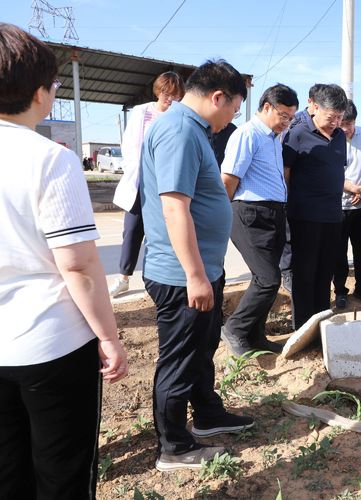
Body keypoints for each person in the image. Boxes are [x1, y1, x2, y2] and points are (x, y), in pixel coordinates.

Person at [0, 23, 128, 499]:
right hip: (50, 343)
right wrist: (109, 337)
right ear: (39, 93)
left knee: (7, 471)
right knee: (62, 473)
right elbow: (78, 265)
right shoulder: (49, 159)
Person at [140, 59, 253, 470]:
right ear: (218, 97)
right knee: (180, 359)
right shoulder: (180, 132)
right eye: (233, 109)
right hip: (182, 275)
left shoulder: (192, 129)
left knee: (202, 350)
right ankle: (174, 446)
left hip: (203, 270)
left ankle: (207, 413)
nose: (231, 119)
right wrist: (194, 275)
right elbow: (175, 208)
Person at [220, 84, 299, 356]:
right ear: (267, 107)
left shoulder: (274, 138)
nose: (287, 122)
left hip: (273, 214)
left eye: (291, 118)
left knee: (263, 278)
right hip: (249, 213)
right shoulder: (248, 134)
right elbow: (228, 180)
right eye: (284, 116)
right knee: (268, 279)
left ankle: (255, 335)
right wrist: (223, 216)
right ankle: (235, 329)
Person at [110, 71, 185, 297]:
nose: (170, 99)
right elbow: (129, 145)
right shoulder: (142, 112)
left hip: (164, 184)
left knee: (162, 232)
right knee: (132, 230)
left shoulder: (179, 116)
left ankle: (159, 278)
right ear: (158, 91)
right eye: (166, 93)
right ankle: (123, 278)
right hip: (140, 181)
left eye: (175, 95)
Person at [283, 84, 348, 328]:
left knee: (325, 272)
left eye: (340, 117)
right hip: (304, 217)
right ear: (316, 108)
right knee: (304, 274)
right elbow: (286, 174)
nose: (336, 123)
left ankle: (321, 323)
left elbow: (335, 172)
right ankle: (303, 327)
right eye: (331, 117)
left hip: (332, 216)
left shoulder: (339, 136)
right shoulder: (297, 133)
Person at [333, 99, 361, 309]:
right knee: (339, 253)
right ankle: (340, 291)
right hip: (338, 207)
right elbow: (328, 172)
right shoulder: (331, 138)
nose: (345, 129)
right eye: (342, 124)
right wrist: (350, 187)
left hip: (360, 207)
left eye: (349, 124)